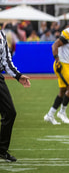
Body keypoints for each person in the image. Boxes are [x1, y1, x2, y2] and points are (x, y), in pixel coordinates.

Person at [0, 29, 31, 162]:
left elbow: (6, 59)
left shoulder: (1, 34)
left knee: (10, 112)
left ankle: (1, 150)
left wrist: (18, 76)